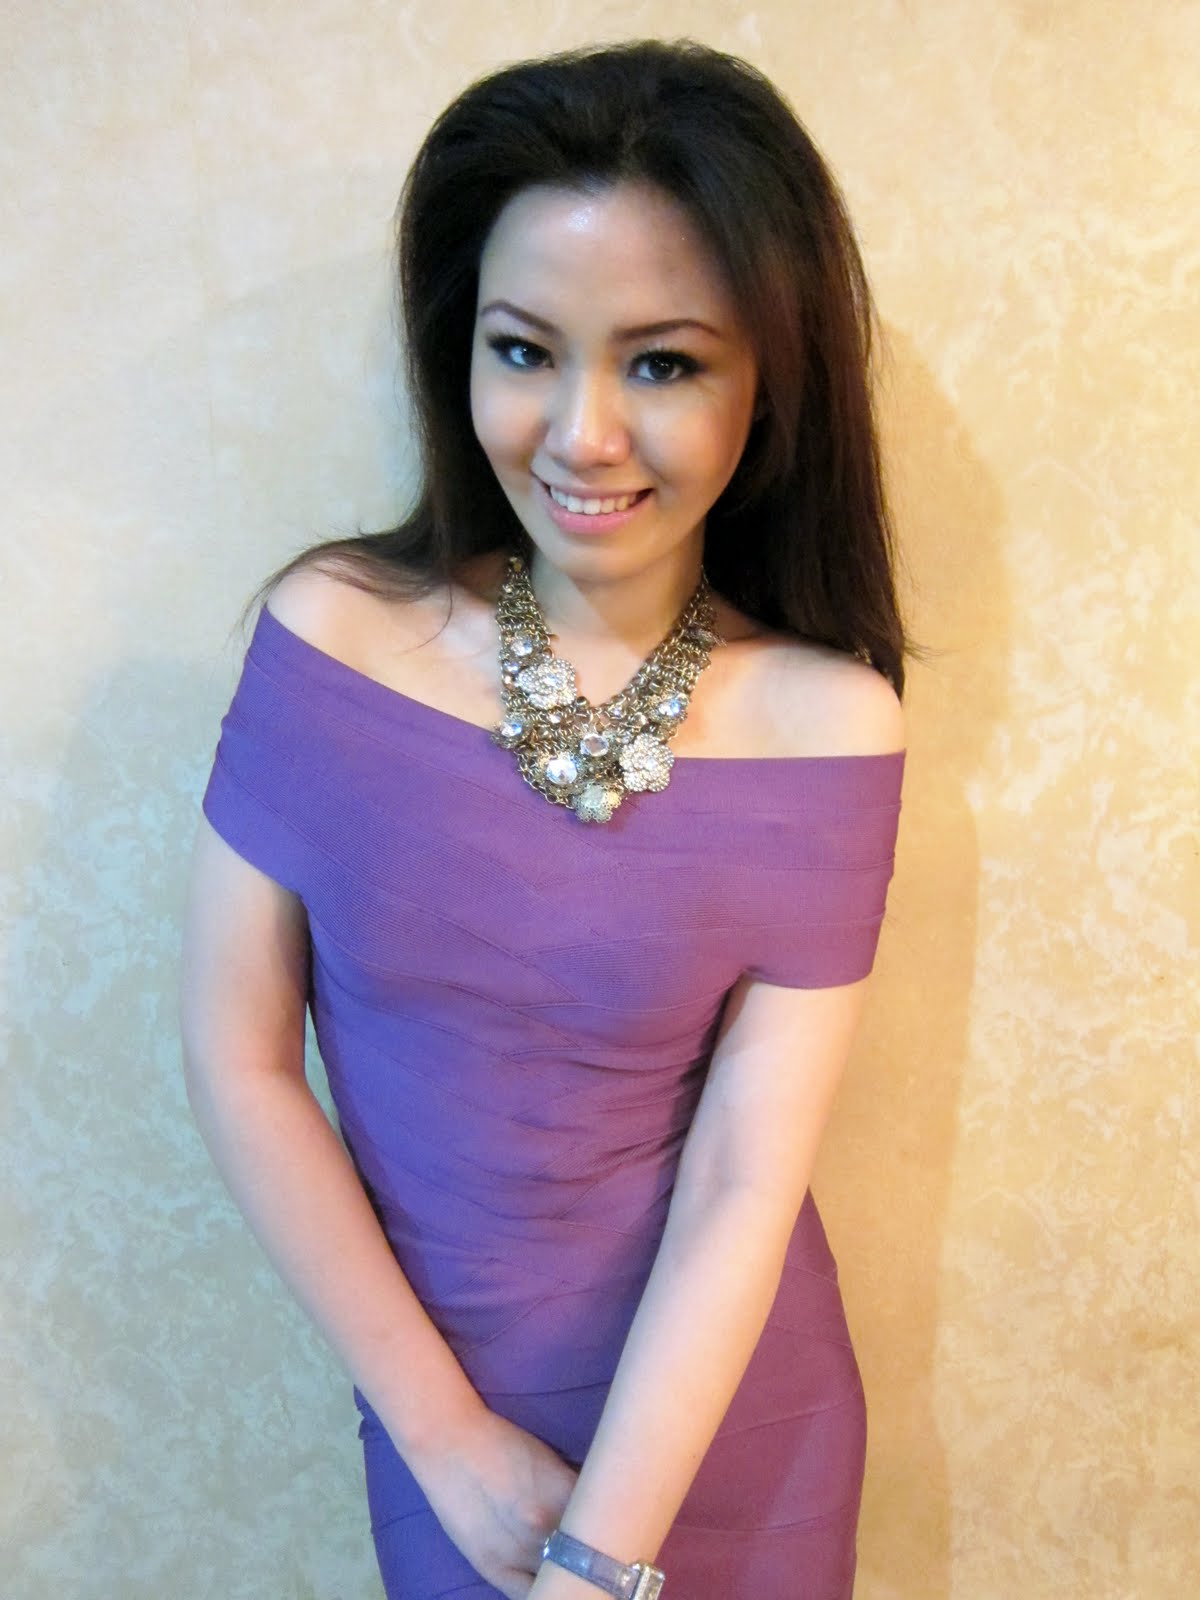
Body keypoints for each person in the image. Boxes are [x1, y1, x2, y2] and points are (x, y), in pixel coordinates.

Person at [179, 36, 907, 1600]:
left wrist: (598, 1563)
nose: (581, 433)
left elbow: (744, 1178)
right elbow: (240, 1060)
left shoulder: (828, 725)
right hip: (448, 1435)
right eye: (525, 350)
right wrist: (445, 1442)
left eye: (663, 364)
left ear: (769, 381)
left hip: (728, 1429)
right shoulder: (331, 640)